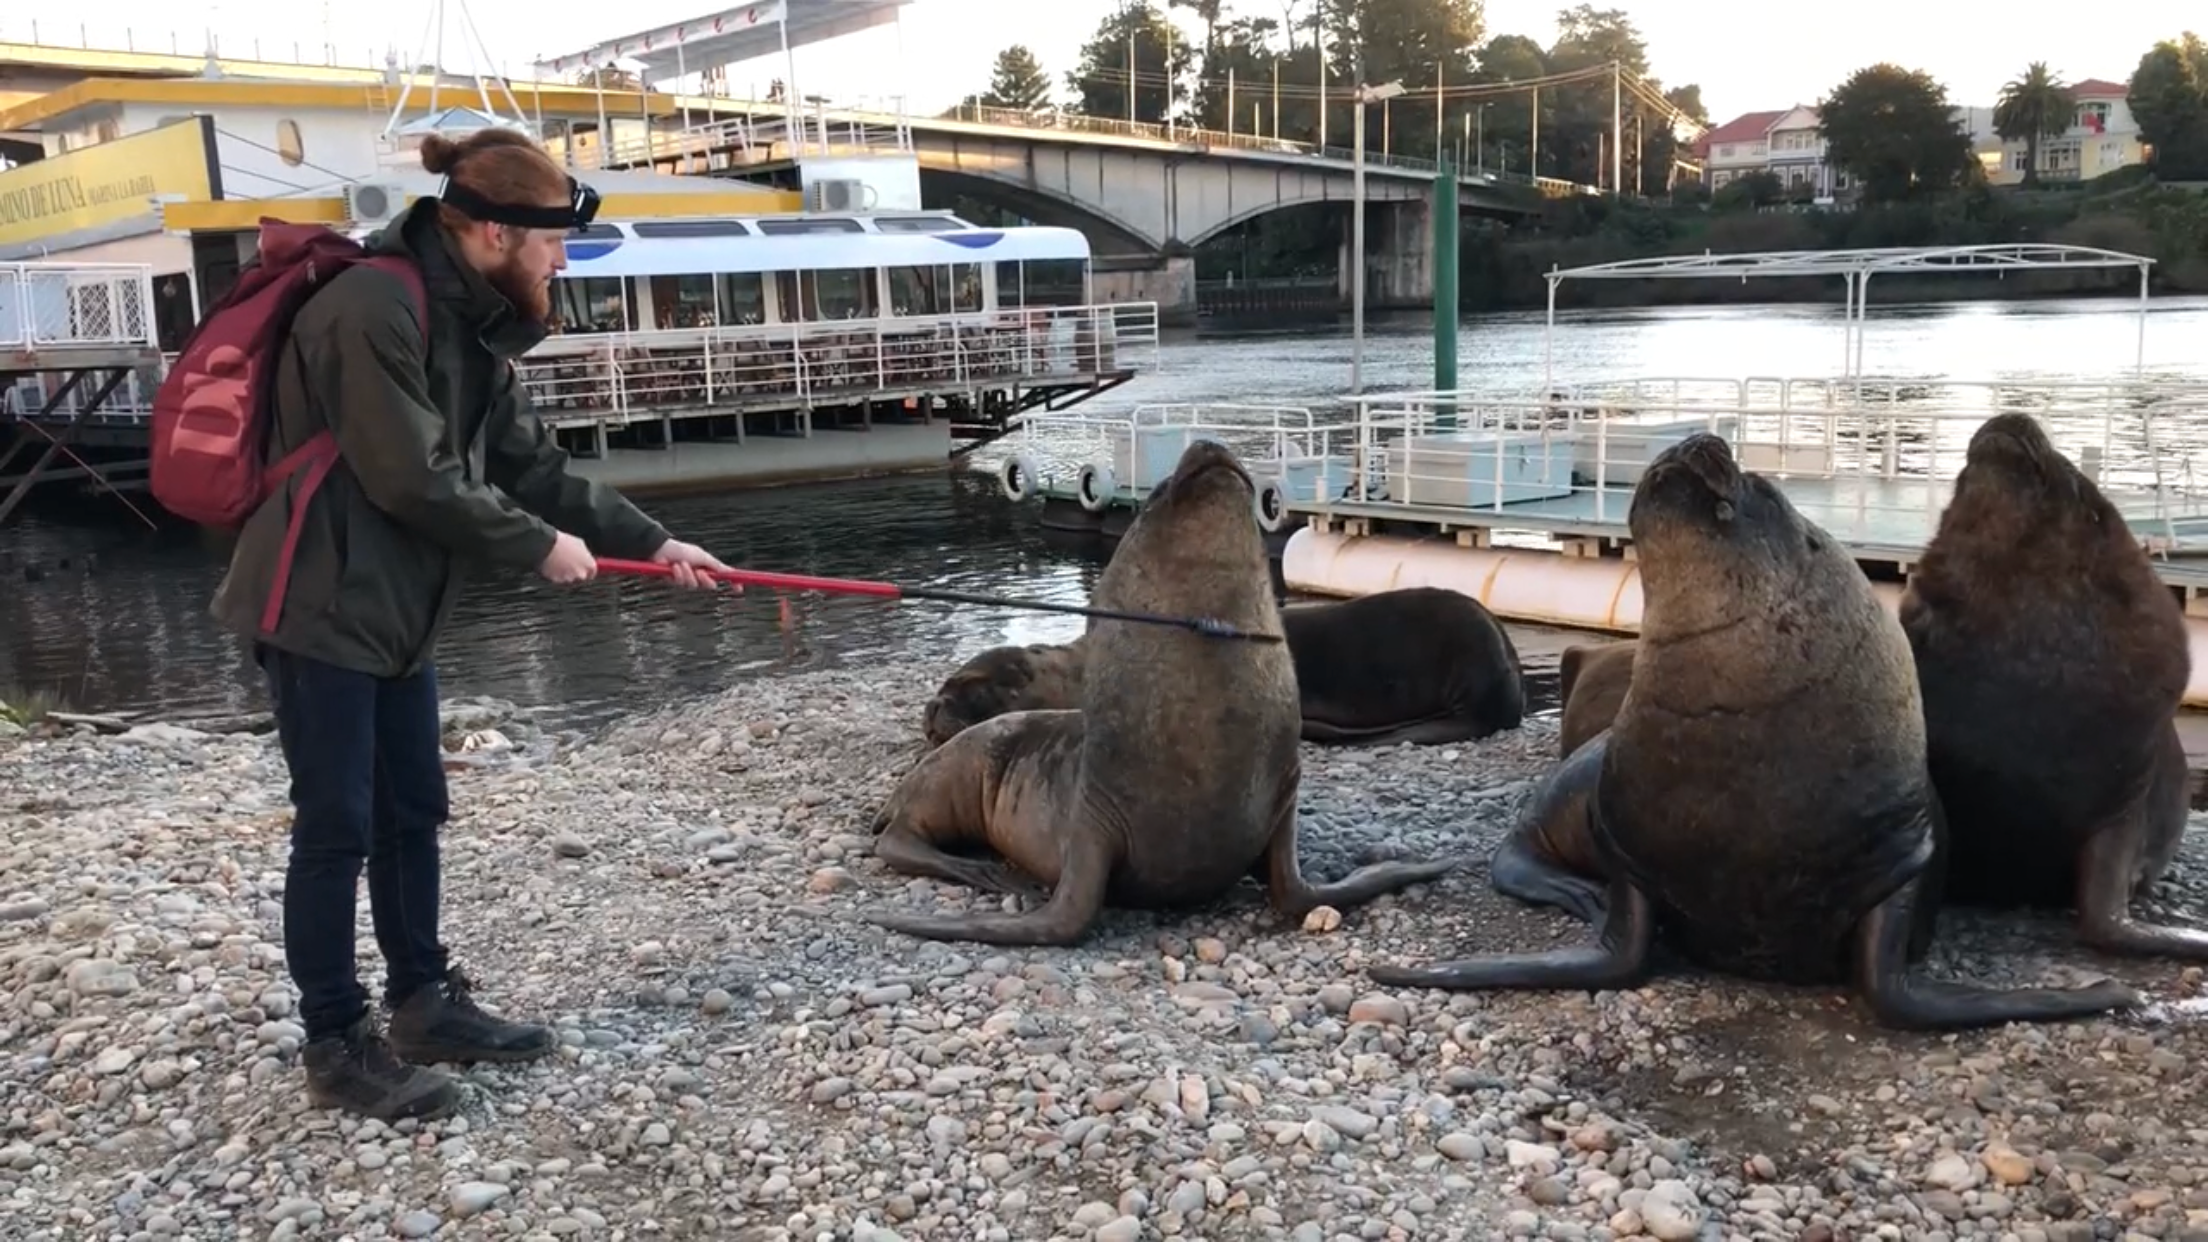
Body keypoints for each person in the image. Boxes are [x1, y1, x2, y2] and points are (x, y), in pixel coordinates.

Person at [208, 127, 731, 1122]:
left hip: (396, 608)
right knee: (336, 831)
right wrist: (536, 548)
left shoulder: (471, 322)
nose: (560, 260)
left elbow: (531, 464)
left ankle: (424, 1003)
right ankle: (336, 1044)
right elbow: (411, 475)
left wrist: (658, 541)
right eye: (551, 243)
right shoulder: (370, 307)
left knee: (415, 813)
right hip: (317, 604)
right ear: (493, 230)